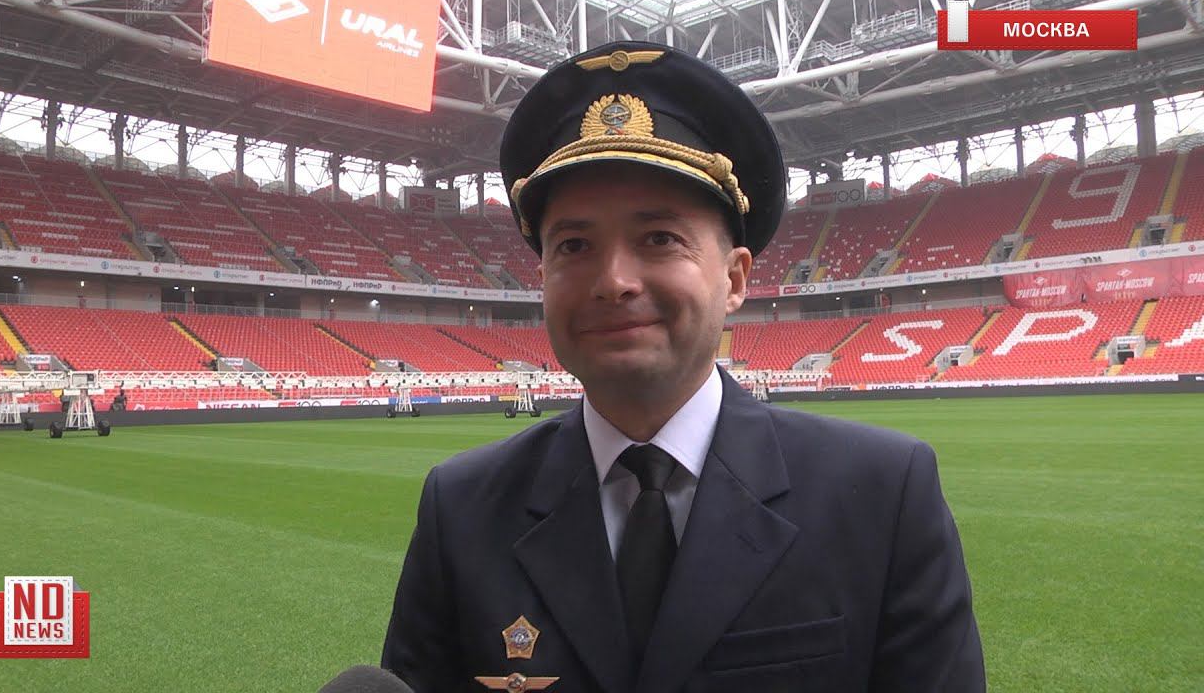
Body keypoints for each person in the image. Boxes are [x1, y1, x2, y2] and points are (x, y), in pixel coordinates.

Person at [381, 41, 984, 693]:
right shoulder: (461, 509)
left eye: (660, 239)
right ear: (543, 278)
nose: (613, 281)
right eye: (575, 245)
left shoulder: (883, 495)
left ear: (734, 280)